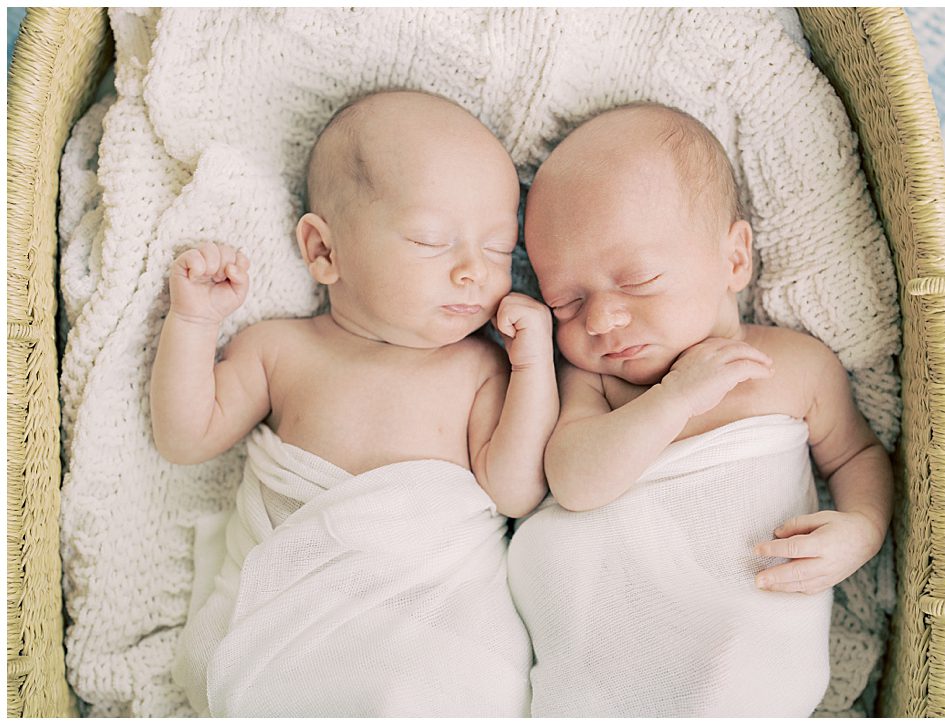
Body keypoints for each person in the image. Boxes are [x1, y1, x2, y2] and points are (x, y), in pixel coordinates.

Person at [151, 89, 557, 716]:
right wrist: (193, 323)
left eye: (501, 249)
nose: (475, 271)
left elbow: (514, 492)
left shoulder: (480, 367)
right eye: (429, 241)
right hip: (292, 631)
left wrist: (534, 368)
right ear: (324, 251)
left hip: (432, 635)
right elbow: (184, 436)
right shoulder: (280, 350)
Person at [507, 101, 894, 717]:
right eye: (567, 302)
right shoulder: (595, 383)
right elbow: (575, 483)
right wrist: (673, 398)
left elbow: (858, 454)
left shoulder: (794, 366)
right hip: (610, 646)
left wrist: (863, 531)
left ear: (734, 259)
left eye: (636, 280)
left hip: (747, 640)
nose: (602, 320)